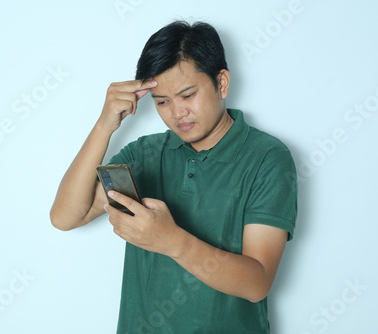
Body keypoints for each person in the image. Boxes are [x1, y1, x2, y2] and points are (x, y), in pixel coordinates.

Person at [50, 20, 297, 334]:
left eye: (187, 95)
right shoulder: (145, 153)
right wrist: (104, 126)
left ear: (221, 83)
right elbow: (66, 216)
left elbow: (257, 282)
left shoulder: (267, 157)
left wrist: (171, 241)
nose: (177, 113)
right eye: (162, 102)